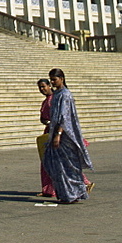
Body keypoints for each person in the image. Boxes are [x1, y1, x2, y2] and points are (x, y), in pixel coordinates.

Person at [42, 68, 93, 203]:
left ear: (62, 78)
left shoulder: (65, 94)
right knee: (56, 165)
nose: (52, 82)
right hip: (54, 132)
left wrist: (58, 134)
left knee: (67, 166)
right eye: (51, 79)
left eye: (54, 79)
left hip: (65, 135)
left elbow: (64, 117)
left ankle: (72, 194)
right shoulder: (57, 94)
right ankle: (66, 193)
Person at [36, 78, 56, 197]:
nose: (42, 89)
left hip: (56, 132)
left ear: (49, 85)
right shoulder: (45, 101)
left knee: (55, 162)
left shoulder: (55, 99)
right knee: (46, 162)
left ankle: (83, 183)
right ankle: (48, 189)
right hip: (48, 131)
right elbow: (42, 117)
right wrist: (46, 122)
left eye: (44, 86)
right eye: (40, 88)